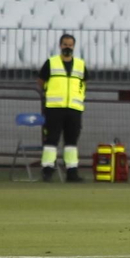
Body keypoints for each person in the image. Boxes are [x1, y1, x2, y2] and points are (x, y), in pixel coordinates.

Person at [38, 34, 86, 183]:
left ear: (74, 46)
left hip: (74, 108)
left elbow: (84, 83)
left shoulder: (80, 64)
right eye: (65, 44)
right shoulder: (51, 63)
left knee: (71, 141)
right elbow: (41, 81)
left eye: (70, 45)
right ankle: (47, 171)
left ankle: (72, 172)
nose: (67, 47)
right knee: (52, 140)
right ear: (60, 46)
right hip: (54, 108)